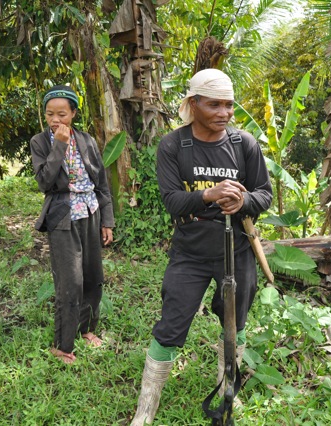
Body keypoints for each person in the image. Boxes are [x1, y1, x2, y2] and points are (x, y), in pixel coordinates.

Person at [130, 69, 272, 424]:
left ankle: (227, 393)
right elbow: (172, 202)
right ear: (193, 104)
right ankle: (145, 410)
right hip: (190, 252)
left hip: (236, 250)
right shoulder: (174, 146)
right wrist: (209, 194)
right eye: (215, 105)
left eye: (229, 105)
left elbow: (264, 194)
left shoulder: (244, 145)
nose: (224, 113)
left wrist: (243, 203)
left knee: (234, 323)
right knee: (171, 325)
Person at [29, 85, 114, 364]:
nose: (55, 120)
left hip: (90, 213)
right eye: (50, 114)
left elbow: (101, 183)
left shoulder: (87, 140)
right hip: (62, 216)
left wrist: (107, 221)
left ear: (73, 114)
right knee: (70, 283)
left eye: (62, 114)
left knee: (92, 275)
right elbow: (45, 182)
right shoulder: (40, 142)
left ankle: (87, 330)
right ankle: (63, 345)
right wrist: (60, 145)